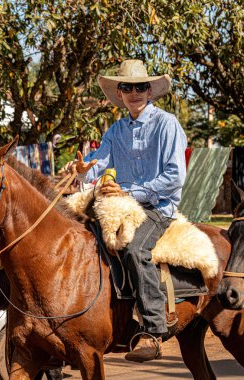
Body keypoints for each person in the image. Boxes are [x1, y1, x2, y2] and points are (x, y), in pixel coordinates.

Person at [72, 59, 187, 362]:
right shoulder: (115, 130)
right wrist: (84, 170)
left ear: (149, 91)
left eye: (140, 87)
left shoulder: (167, 124)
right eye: (127, 87)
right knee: (78, 239)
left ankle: (152, 329)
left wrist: (129, 192)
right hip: (119, 205)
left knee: (135, 250)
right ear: (119, 94)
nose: (134, 92)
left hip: (156, 206)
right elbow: (96, 164)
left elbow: (175, 176)